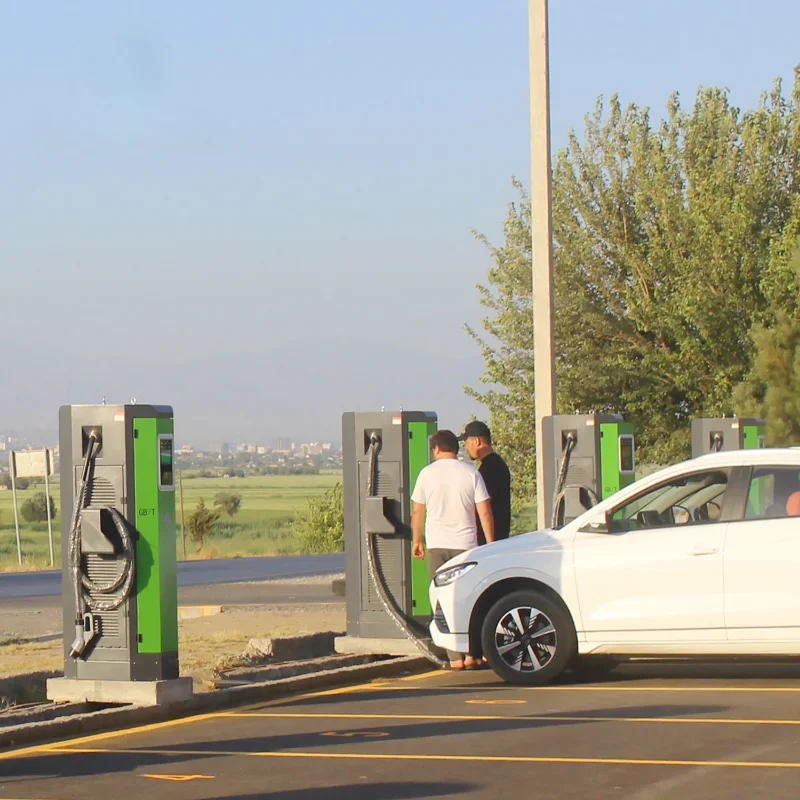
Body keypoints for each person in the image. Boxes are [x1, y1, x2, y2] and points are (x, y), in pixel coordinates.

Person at [410, 429, 494, 670]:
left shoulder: (426, 474)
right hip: (467, 546)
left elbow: (418, 511)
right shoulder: (471, 473)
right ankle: (472, 655)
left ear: (436, 449)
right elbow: (484, 511)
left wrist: (418, 540)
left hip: (437, 546)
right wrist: (490, 543)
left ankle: (455, 658)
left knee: (441, 601)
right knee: (471, 598)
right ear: (456, 449)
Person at [459, 420, 512, 545]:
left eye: (467, 443)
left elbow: (485, 505)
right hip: (499, 537)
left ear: (476, 441)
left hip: (491, 540)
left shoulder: (489, 468)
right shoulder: (496, 463)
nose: (466, 448)